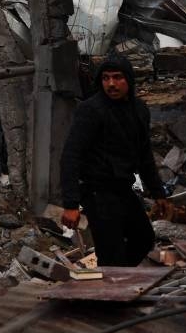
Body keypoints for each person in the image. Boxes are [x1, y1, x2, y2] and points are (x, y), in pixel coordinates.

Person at [60, 53, 168, 266]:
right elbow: (71, 156)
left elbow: (145, 154)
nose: (111, 84)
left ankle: (118, 283)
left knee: (143, 239)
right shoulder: (91, 110)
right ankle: (111, 290)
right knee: (110, 253)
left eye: (117, 77)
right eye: (106, 78)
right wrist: (70, 204)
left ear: (128, 79)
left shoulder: (139, 110)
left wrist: (158, 194)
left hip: (123, 189)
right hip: (97, 193)